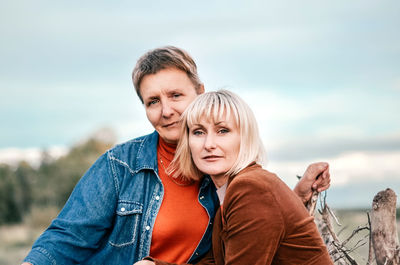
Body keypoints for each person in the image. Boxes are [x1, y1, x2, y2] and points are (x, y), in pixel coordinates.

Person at [22, 46, 330, 265]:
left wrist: (293, 197)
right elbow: (68, 235)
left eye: (175, 95)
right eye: (152, 101)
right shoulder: (121, 165)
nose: (166, 110)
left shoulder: (225, 175)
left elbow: (257, 222)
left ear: (200, 93)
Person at [135, 90, 333, 265]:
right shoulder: (230, 191)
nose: (209, 144)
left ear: (244, 138)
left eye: (223, 131)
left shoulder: (251, 188)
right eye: (198, 132)